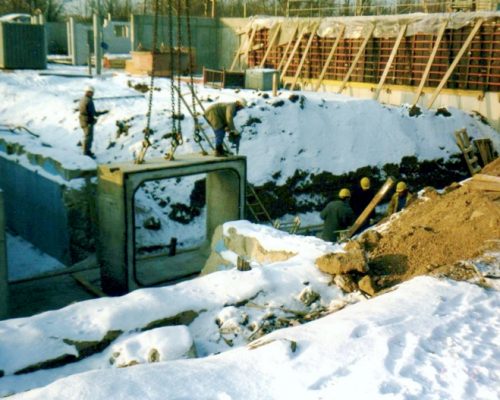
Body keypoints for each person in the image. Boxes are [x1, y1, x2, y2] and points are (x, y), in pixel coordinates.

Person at [79, 85, 106, 157]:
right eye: (92, 93)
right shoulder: (89, 100)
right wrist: (94, 119)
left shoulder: (83, 99)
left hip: (82, 120)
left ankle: (86, 150)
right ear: (90, 92)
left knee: (86, 136)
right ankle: (86, 152)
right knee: (89, 137)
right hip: (87, 121)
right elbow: (92, 112)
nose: (93, 95)